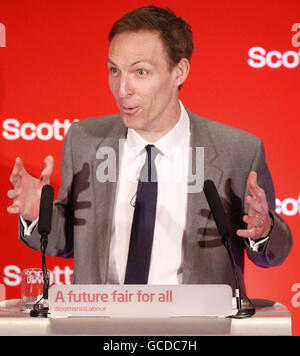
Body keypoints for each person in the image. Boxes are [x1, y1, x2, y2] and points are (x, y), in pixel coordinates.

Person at [7, 6, 292, 295]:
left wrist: (264, 231)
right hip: (102, 326)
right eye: (114, 70)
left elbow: (273, 253)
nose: (122, 89)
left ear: (179, 72)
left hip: (196, 328)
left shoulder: (238, 151)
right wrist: (36, 215)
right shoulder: (85, 140)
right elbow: (69, 239)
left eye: (140, 71)